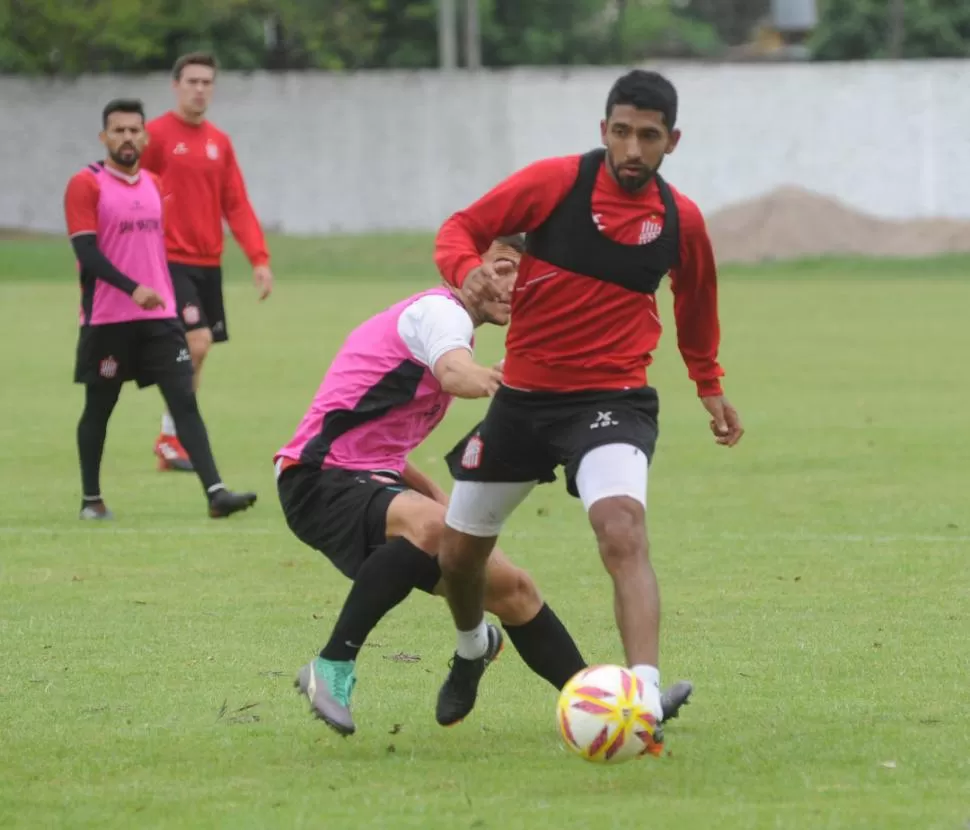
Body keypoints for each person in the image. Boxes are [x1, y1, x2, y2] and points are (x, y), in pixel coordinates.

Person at [430, 70, 744, 746]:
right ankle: (470, 645)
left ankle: (646, 696)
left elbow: (697, 305)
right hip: (523, 401)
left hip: (613, 400)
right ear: (604, 131)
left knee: (621, 529)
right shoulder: (553, 184)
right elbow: (461, 227)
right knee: (459, 557)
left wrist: (709, 383)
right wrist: (468, 273)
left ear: (672, 141)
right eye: (623, 132)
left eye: (649, 136)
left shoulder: (681, 220)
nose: (634, 148)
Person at [277, 235, 694, 736]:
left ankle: (611, 709)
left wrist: (435, 495)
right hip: (317, 480)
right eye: (503, 267)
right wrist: (494, 382)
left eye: (526, 277)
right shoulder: (439, 314)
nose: (512, 287)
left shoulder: (450, 327)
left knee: (514, 590)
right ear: (468, 264)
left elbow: (382, 447)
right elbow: (454, 371)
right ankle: (332, 666)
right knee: (434, 531)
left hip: (366, 480)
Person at [65, 98, 258, 520]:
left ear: (145, 136)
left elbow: (157, 250)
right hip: (108, 319)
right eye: (118, 130)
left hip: (159, 318)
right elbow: (86, 251)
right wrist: (131, 288)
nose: (127, 138)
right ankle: (91, 499)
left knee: (184, 399)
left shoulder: (154, 184)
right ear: (104, 137)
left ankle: (216, 493)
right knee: (99, 407)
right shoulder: (87, 183)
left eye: (134, 130)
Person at [140, 52, 274, 472]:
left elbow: (235, 203)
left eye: (207, 82)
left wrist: (259, 258)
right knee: (194, 343)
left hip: (207, 263)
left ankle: (173, 437)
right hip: (168, 260)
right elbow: (131, 192)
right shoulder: (157, 136)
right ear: (176, 85)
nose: (200, 89)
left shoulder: (219, 142)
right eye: (192, 81)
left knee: (198, 349)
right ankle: (169, 437)